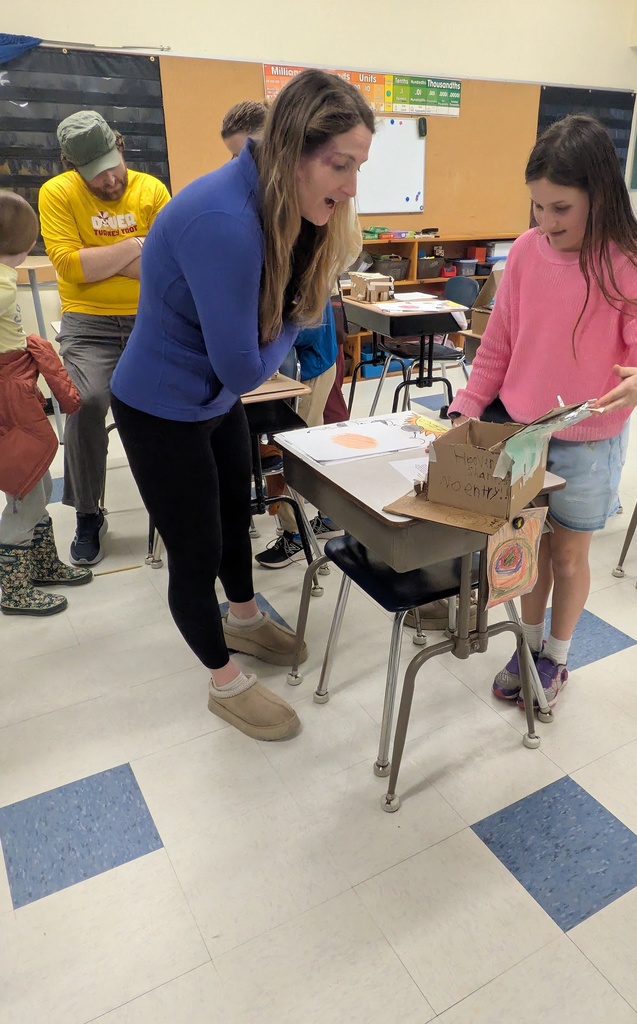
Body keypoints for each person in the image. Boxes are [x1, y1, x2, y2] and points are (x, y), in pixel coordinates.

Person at [110, 69, 374, 741]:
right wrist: (302, 310)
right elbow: (246, 366)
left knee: (237, 514)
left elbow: (241, 363)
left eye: (357, 167)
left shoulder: (281, 200)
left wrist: (290, 308)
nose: (349, 188)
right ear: (291, 149)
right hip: (160, 405)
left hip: (212, 398)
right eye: (339, 166)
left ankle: (247, 616)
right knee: (195, 550)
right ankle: (222, 680)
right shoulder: (223, 220)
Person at [446, 114, 637, 709]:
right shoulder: (526, 254)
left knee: (568, 553)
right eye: (538, 208)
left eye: (561, 209)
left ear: (599, 196)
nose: (546, 224)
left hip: (590, 440)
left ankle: (555, 656)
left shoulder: (632, 263)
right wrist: (468, 406)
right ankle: (525, 644)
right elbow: (499, 342)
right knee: (527, 550)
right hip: (524, 435)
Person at [38, 111, 170, 566]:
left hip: (148, 319)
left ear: (120, 145)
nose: (110, 178)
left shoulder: (152, 189)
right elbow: (71, 267)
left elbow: (166, 263)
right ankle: (89, 513)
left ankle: (171, 506)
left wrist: (102, 258)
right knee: (87, 403)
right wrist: (137, 246)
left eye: (113, 164)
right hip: (88, 324)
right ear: (74, 166)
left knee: (162, 409)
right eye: (96, 173)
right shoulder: (57, 192)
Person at [0, 191, 91, 616]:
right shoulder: (2, 282)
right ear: (22, 246)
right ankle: (13, 589)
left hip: (18, 395)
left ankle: (40, 564)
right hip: (8, 402)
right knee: (24, 489)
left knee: (39, 483)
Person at [255, 297, 343, 569]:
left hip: (306, 369)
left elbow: (309, 326)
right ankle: (329, 519)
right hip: (302, 365)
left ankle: (295, 535)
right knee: (307, 448)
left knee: (294, 455)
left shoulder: (301, 265)